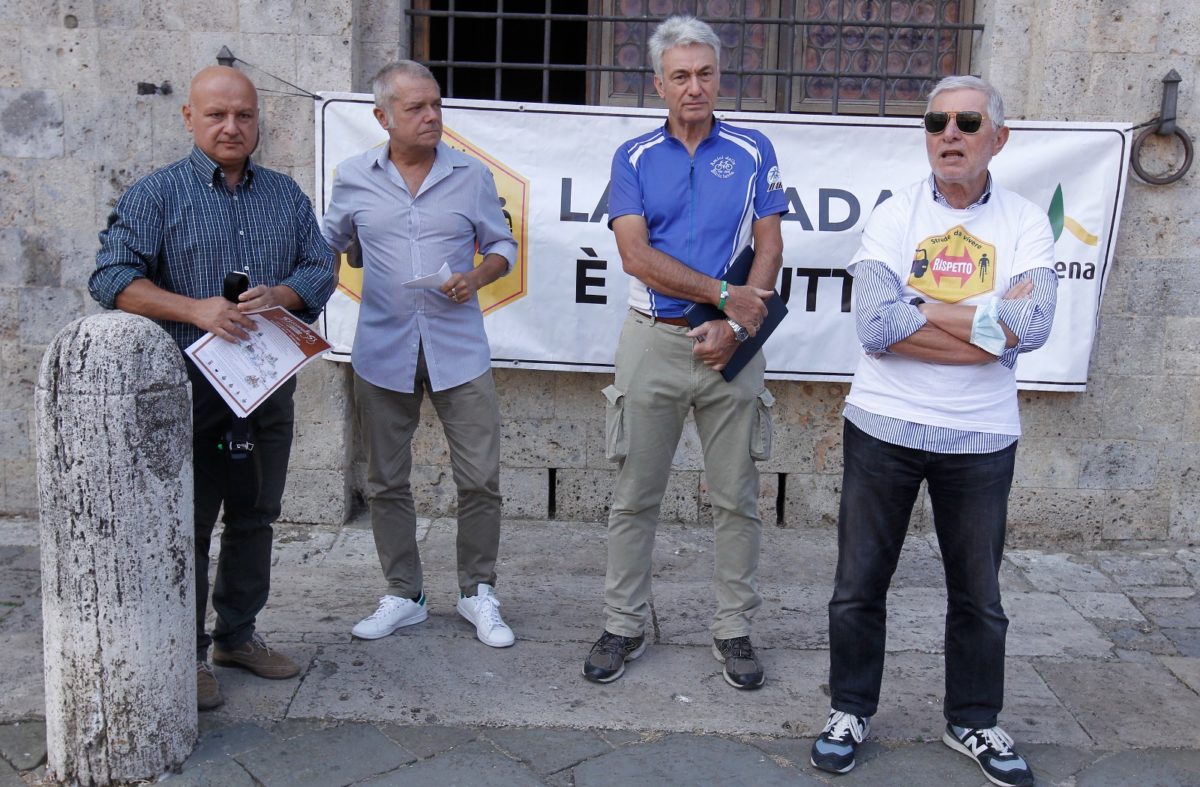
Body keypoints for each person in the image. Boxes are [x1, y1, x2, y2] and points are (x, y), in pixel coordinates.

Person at [808, 76, 1057, 787]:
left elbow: (1033, 327)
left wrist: (921, 306)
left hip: (980, 437)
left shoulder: (1026, 222)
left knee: (978, 595)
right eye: (937, 121)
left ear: (998, 138)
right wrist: (987, 328)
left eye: (967, 122)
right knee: (859, 583)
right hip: (883, 427)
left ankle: (973, 720)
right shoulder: (895, 214)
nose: (950, 133)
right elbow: (874, 324)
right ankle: (849, 710)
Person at [89, 66, 336, 711]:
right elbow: (111, 277)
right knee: (190, 522)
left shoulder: (283, 195)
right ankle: (187, 652)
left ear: (257, 121)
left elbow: (321, 264)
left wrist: (284, 294)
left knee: (256, 513)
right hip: (185, 389)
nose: (232, 127)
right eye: (217, 115)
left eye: (244, 116)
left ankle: (237, 636)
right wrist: (194, 309)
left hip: (264, 385)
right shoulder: (157, 194)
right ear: (189, 117)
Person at [581, 15, 787, 689]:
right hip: (653, 342)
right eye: (680, 76)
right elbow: (636, 255)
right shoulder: (634, 156)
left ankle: (733, 629)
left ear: (718, 78)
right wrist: (725, 297)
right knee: (634, 496)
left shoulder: (754, 149)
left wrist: (737, 324)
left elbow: (770, 244)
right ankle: (623, 623)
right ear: (659, 85)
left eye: (704, 74)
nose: (693, 87)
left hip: (732, 348)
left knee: (737, 499)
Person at [323, 61, 517, 649]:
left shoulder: (471, 175)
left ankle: (477, 591)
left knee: (480, 478)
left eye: (436, 104)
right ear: (383, 117)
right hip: (383, 349)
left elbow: (502, 244)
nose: (432, 116)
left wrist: (475, 276)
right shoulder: (353, 176)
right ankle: (404, 594)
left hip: (459, 349)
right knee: (385, 480)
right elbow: (328, 246)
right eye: (416, 108)